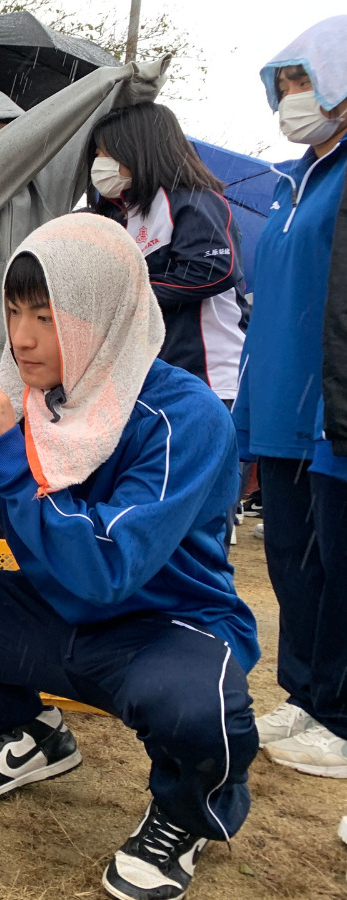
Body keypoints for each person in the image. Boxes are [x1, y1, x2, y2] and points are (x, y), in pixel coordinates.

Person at [0, 214, 258, 900]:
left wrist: (8, 456)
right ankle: (30, 733)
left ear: (105, 314)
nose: (23, 337)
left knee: (196, 705)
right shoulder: (12, 394)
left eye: (46, 315)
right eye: (13, 311)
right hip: (51, 609)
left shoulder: (183, 416)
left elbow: (105, 571)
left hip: (163, 627)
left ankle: (188, 812)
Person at [0, 57, 169, 443]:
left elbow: (72, 135)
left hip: (30, 360)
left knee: (11, 479)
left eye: (7, 130)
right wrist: (101, 80)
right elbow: (23, 144)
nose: (2, 142)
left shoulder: (45, 185)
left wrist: (123, 89)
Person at [232, 16, 347, 776]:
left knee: (338, 563)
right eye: (283, 86)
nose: (291, 99)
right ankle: (304, 694)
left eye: (303, 81)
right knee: (289, 564)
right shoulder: (287, 185)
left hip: (330, 408)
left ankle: (340, 715)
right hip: (275, 401)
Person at [88, 102, 247, 401]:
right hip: (152, 377)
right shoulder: (121, 216)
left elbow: (213, 270)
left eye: (105, 153)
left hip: (210, 377)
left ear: (138, 149)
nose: (99, 162)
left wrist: (128, 295)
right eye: (96, 155)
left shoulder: (195, 200)